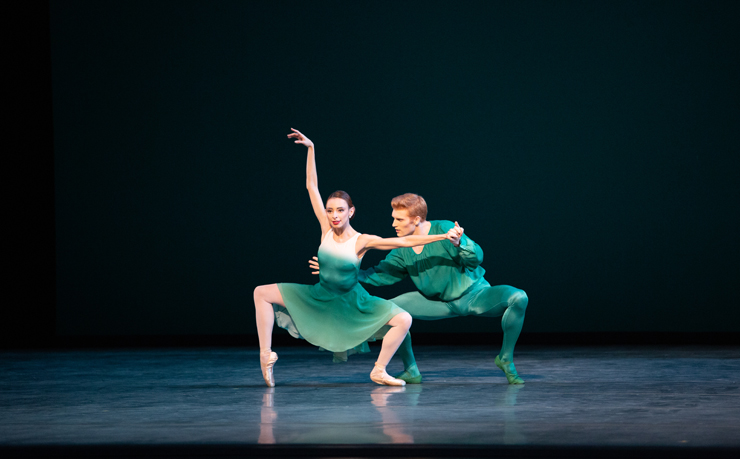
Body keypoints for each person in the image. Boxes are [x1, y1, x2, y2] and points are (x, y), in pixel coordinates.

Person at [253, 129, 457, 388]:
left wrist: (441, 237)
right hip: (320, 296)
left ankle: (379, 370)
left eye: (340, 210)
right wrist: (311, 148)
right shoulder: (325, 229)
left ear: (351, 211)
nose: (334, 215)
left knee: (404, 318)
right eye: (329, 211)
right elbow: (311, 186)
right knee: (261, 293)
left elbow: (404, 241)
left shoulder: (362, 240)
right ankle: (266, 355)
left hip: (351, 301)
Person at [310, 193, 528, 384]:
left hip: (473, 295)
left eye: (398, 219)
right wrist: (338, 269)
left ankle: (505, 358)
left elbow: (476, 259)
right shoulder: (401, 249)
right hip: (437, 302)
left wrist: (460, 244)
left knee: (518, 297)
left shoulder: (443, 229)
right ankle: (411, 370)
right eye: (393, 218)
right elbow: (380, 274)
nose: (393, 223)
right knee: (390, 311)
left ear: (415, 220)